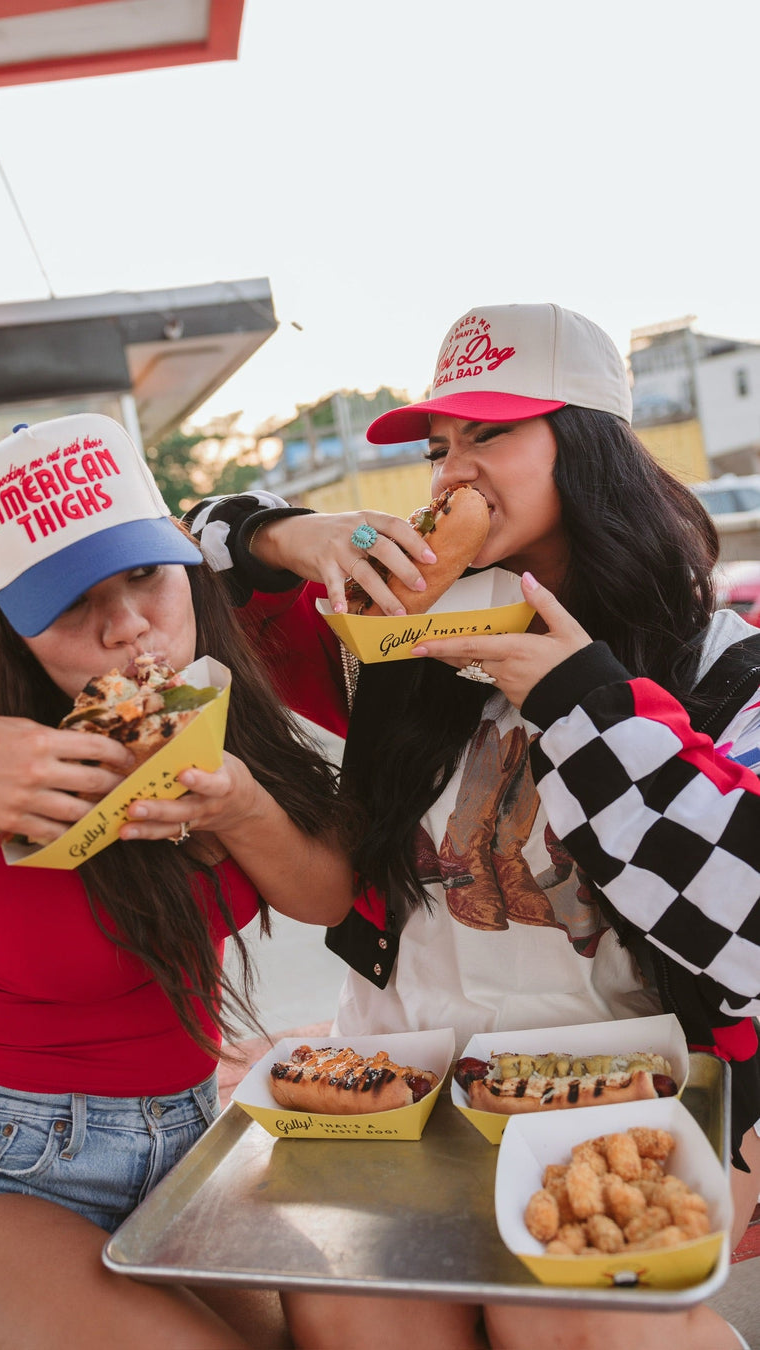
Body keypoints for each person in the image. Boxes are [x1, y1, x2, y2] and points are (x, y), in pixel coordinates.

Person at [186, 304, 760, 1350]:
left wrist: (585, 705)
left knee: (560, 1315)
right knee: (348, 1308)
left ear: (589, 448)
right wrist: (294, 533)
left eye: (490, 434)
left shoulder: (720, 665)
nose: (453, 470)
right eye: (441, 445)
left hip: (612, 1094)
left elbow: (749, 922)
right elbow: (185, 577)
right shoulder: (394, 640)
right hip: (396, 1086)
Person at [0, 413, 356, 1350]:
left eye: (144, 574)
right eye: (71, 599)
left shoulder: (209, 698)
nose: (128, 625)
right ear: (5, 615)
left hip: (182, 1147)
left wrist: (241, 806)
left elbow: (328, 896)